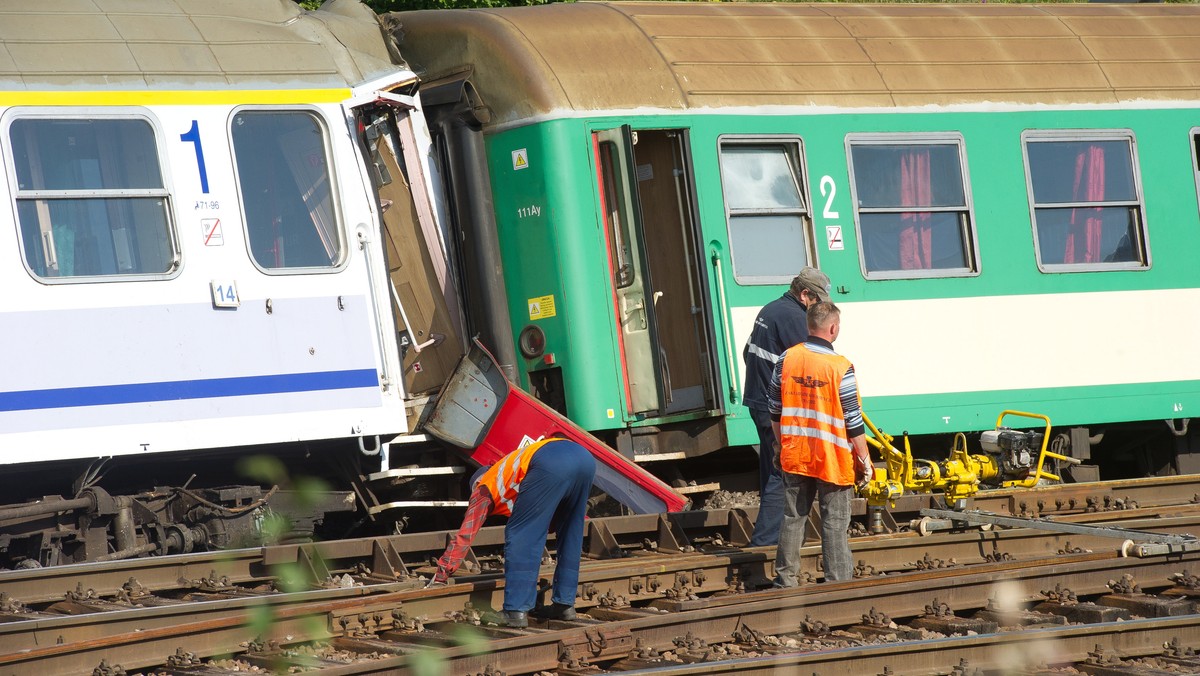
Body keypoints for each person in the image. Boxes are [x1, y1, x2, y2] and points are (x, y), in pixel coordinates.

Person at [429, 437, 596, 628]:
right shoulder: (512, 476)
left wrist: (442, 574)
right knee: (570, 533)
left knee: (522, 534)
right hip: (584, 459)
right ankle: (564, 605)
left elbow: (465, 534)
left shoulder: (484, 487)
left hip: (552, 461)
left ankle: (515, 610)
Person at [768, 302, 872, 586]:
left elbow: (774, 408)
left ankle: (785, 580)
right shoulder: (840, 367)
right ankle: (837, 583)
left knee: (793, 517)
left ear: (809, 325)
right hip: (832, 458)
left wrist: (780, 446)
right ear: (833, 328)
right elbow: (852, 419)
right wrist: (863, 459)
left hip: (796, 453)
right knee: (835, 522)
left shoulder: (787, 359)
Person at [741, 266, 832, 547]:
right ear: (805, 295)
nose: (820, 312)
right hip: (778, 409)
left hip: (758, 400)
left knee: (772, 469)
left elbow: (748, 352)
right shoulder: (795, 317)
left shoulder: (769, 309)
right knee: (783, 473)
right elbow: (812, 362)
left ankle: (775, 537)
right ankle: (765, 543)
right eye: (819, 303)